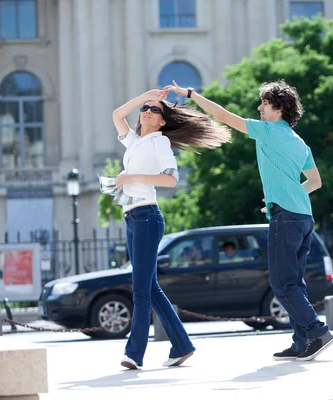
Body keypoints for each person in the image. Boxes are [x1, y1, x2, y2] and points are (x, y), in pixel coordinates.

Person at [164, 79, 333, 362]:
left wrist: (191, 94)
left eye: (264, 103)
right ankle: (302, 341)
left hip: (287, 218)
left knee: (281, 284)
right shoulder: (298, 141)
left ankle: (318, 332)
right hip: (303, 216)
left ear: (278, 108)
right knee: (295, 282)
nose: (259, 107)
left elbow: (222, 116)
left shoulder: (268, 132)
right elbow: (315, 182)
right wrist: (287, 193)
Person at [104, 88, 231, 370]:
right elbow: (116, 114)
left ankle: (134, 354)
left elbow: (171, 180)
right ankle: (182, 345)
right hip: (133, 218)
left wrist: (131, 177)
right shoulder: (136, 142)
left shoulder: (159, 143)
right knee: (149, 286)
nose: (147, 111)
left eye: (155, 110)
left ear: (163, 121)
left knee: (140, 289)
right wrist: (145, 96)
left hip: (147, 218)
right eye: (145, 109)